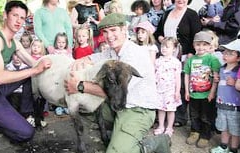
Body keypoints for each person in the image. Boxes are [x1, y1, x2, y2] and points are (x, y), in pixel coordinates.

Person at [64, 13, 170, 153]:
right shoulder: (113, 51)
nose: (109, 36)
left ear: (124, 29)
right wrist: (83, 60)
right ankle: (120, 133)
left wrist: (80, 86)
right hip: (120, 105)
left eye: (114, 30)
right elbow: (98, 57)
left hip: (138, 110)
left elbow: (116, 90)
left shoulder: (133, 54)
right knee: (87, 111)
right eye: (106, 32)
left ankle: (156, 142)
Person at [0, 1, 51, 143]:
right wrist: (35, 69)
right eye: (15, 15)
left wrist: (52, 66)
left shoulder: (14, 42)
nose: (18, 21)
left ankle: (26, 114)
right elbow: (0, 77)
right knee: (26, 133)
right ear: (5, 15)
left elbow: (34, 64)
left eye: (22, 18)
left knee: (29, 73)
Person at [154, 0, 202, 127]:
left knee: (179, 85)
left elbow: (196, 36)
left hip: (185, 55)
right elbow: (158, 32)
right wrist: (162, 39)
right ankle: (163, 111)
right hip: (166, 55)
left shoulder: (192, 14)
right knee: (165, 83)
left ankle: (180, 117)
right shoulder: (167, 13)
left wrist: (191, 53)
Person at [184, 31, 221, 148]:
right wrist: (186, 91)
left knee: (206, 116)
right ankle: (195, 132)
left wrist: (212, 92)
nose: (201, 47)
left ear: (210, 46)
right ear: (194, 45)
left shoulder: (212, 59)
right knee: (193, 114)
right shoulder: (190, 60)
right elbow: (187, 75)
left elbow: (216, 78)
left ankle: (205, 135)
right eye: (198, 44)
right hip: (193, 93)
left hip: (206, 94)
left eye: (204, 45)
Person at [210, 39, 240, 153]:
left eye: (230, 53)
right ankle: (223, 146)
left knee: (235, 129)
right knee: (223, 127)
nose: (225, 55)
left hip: (235, 106)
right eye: (225, 52)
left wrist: (235, 83)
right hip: (221, 104)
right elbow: (219, 82)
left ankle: (234, 148)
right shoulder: (221, 68)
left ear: (239, 58)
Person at [154, 37, 182, 137]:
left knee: (170, 110)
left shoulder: (176, 62)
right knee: (160, 108)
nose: (164, 48)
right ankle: (161, 126)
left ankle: (169, 127)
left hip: (170, 90)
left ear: (174, 49)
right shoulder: (157, 61)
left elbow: (178, 78)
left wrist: (177, 91)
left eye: (167, 47)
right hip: (159, 89)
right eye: (162, 46)